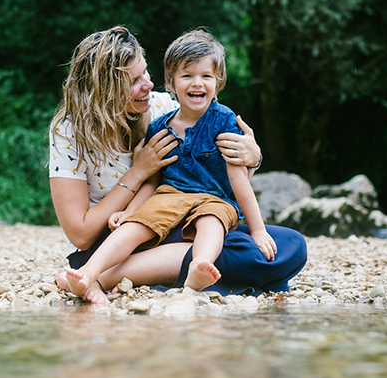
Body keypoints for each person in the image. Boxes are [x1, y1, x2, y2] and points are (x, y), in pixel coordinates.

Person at [49, 26, 306, 303]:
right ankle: (102, 272)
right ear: (106, 90)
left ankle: (115, 277)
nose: (148, 84)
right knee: (242, 255)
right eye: (134, 81)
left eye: (145, 72)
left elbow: (224, 170)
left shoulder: (160, 106)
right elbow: (81, 234)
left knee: (290, 245)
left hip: (187, 225)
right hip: (116, 239)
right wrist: (138, 173)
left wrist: (252, 157)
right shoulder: (69, 133)